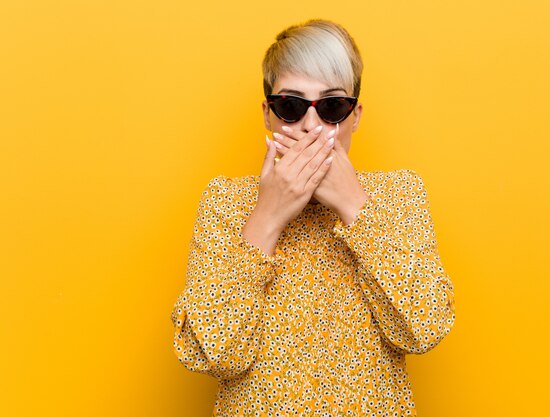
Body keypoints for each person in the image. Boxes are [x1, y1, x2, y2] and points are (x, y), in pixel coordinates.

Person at [170, 18, 456, 416]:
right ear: (268, 115)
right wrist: (267, 217)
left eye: (333, 106)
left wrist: (354, 205)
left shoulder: (398, 195)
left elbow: (423, 329)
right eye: (291, 106)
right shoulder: (227, 202)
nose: (311, 125)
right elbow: (211, 354)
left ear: (354, 116)